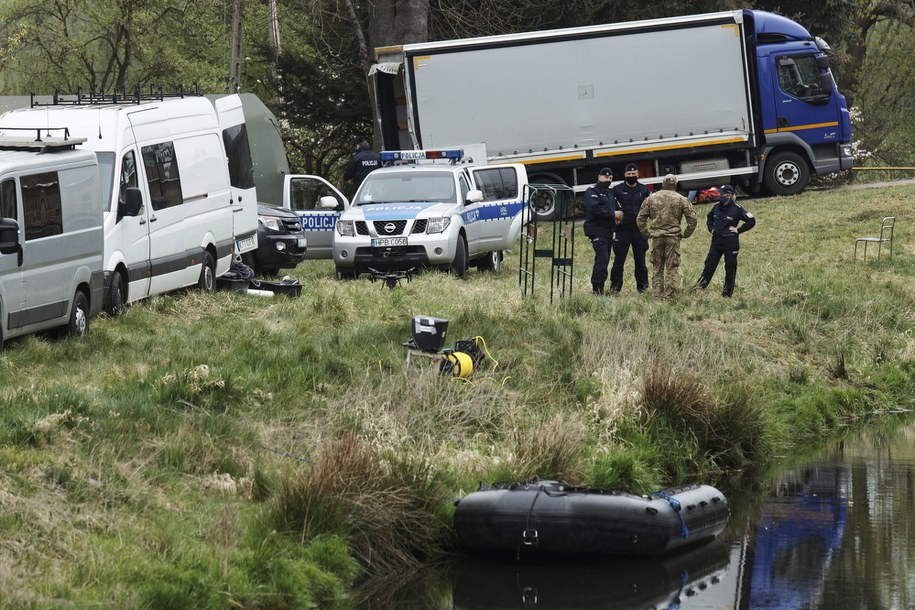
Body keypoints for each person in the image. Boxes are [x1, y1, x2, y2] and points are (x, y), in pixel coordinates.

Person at [636, 174, 698, 298]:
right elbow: (693, 219)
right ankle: (669, 295)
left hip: (657, 237)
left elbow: (640, 218)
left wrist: (646, 233)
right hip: (673, 237)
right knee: (672, 267)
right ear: (675, 184)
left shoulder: (651, 198)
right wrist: (685, 234)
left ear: (662, 183)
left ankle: (657, 294)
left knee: (657, 267)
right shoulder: (681, 199)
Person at [696, 184, 756, 297]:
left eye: (722, 194)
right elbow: (709, 219)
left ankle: (727, 293)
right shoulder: (716, 207)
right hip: (716, 242)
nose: (720, 196)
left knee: (730, 267)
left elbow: (751, 221)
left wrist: (739, 230)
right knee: (709, 265)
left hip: (730, 243)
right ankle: (700, 287)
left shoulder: (737, 209)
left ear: (728, 196)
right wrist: (712, 229)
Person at [610, 162, 651, 293]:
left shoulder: (644, 190)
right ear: (624, 175)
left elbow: (652, 207)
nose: (631, 176)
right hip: (623, 229)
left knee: (640, 260)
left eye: (634, 174)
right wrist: (614, 216)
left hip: (639, 230)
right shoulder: (617, 190)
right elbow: (609, 204)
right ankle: (615, 287)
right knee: (619, 260)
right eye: (629, 174)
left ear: (638, 174)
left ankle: (642, 287)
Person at [583, 168, 623, 295]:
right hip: (597, 231)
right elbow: (594, 209)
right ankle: (597, 288)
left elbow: (617, 208)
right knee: (602, 258)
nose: (608, 180)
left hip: (608, 231)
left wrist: (618, 217)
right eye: (605, 177)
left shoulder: (610, 193)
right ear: (599, 177)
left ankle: (600, 287)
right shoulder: (592, 192)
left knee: (605, 259)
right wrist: (612, 214)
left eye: (610, 178)